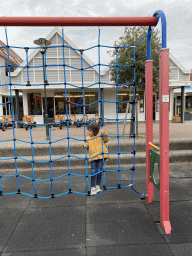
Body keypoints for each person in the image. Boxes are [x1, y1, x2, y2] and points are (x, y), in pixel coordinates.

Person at [83, 122, 110, 195]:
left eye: (90, 131)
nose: (88, 132)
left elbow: (106, 139)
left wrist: (103, 132)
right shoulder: (88, 138)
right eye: (88, 130)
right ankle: (92, 187)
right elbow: (87, 145)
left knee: (99, 170)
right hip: (93, 157)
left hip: (101, 156)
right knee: (93, 171)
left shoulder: (100, 135)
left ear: (95, 131)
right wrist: (84, 145)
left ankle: (98, 186)